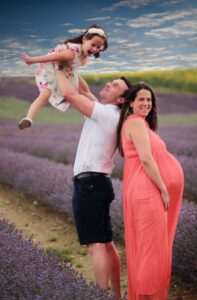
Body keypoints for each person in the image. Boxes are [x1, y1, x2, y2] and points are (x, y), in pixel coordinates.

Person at [55, 66, 132, 299]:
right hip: (97, 184)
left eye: (115, 85)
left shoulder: (107, 114)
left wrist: (57, 68)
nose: (109, 83)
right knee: (106, 243)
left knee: (96, 244)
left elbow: (69, 94)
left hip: (90, 184)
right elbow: (83, 89)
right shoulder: (107, 111)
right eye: (111, 81)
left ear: (120, 99)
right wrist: (72, 69)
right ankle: (116, 296)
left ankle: (101, 295)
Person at [117, 82, 184, 300]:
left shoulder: (141, 124)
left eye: (149, 100)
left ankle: (148, 294)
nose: (146, 103)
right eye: (141, 100)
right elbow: (146, 159)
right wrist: (164, 189)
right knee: (150, 248)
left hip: (147, 190)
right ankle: (147, 295)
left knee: (152, 246)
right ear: (130, 103)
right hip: (147, 192)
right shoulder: (135, 123)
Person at [18, 24, 108, 129]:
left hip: (67, 69)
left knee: (84, 89)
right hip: (50, 70)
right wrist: (32, 60)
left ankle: (100, 111)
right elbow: (52, 57)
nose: (95, 49)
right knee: (46, 94)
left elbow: (71, 64)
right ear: (84, 39)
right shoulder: (71, 53)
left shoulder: (83, 55)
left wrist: (69, 69)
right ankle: (28, 118)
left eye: (98, 47)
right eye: (93, 45)